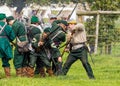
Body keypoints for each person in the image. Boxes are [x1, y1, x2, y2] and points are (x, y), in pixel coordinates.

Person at [0, 13, 15, 78]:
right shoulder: (7, 26)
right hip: (5, 43)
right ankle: (8, 76)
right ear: (5, 19)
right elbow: (12, 37)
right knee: (5, 59)